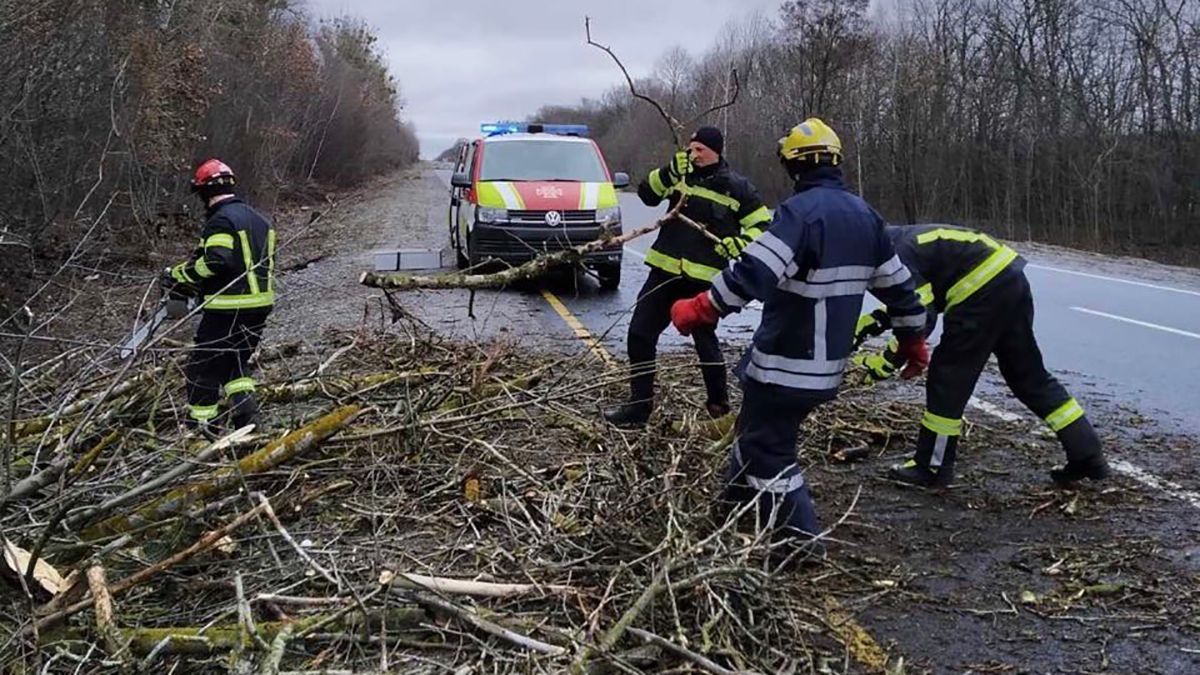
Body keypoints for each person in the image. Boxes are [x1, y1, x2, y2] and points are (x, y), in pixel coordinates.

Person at [670, 118, 930, 551]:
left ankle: (801, 543)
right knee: (752, 432)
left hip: (786, 364)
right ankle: (729, 509)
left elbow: (754, 271)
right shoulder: (867, 217)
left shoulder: (800, 214)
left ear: (793, 166)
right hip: (824, 369)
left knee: (769, 453)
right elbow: (901, 290)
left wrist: (700, 308)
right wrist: (912, 341)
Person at [853, 224, 1110, 487]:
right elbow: (919, 298)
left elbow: (918, 315)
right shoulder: (898, 241)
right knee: (1028, 377)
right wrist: (875, 322)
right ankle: (1087, 453)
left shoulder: (895, 256)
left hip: (979, 289)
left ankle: (933, 466)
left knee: (948, 377)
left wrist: (886, 362)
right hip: (1008, 279)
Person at [603, 126, 772, 428]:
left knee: (705, 342)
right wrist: (669, 171)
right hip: (665, 272)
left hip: (702, 281)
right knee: (640, 334)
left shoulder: (737, 188)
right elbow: (647, 194)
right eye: (690, 149)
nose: (693, 154)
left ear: (715, 152)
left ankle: (718, 407)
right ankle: (639, 407)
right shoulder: (679, 176)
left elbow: (762, 226)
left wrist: (740, 243)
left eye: (700, 150)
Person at [167, 159, 276, 436]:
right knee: (234, 364)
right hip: (259, 306)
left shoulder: (221, 221)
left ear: (204, 191)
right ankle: (248, 422)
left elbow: (217, 261)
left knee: (203, 368)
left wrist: (182, 275)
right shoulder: (258, 219)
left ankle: (202, 429)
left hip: (228, 307)